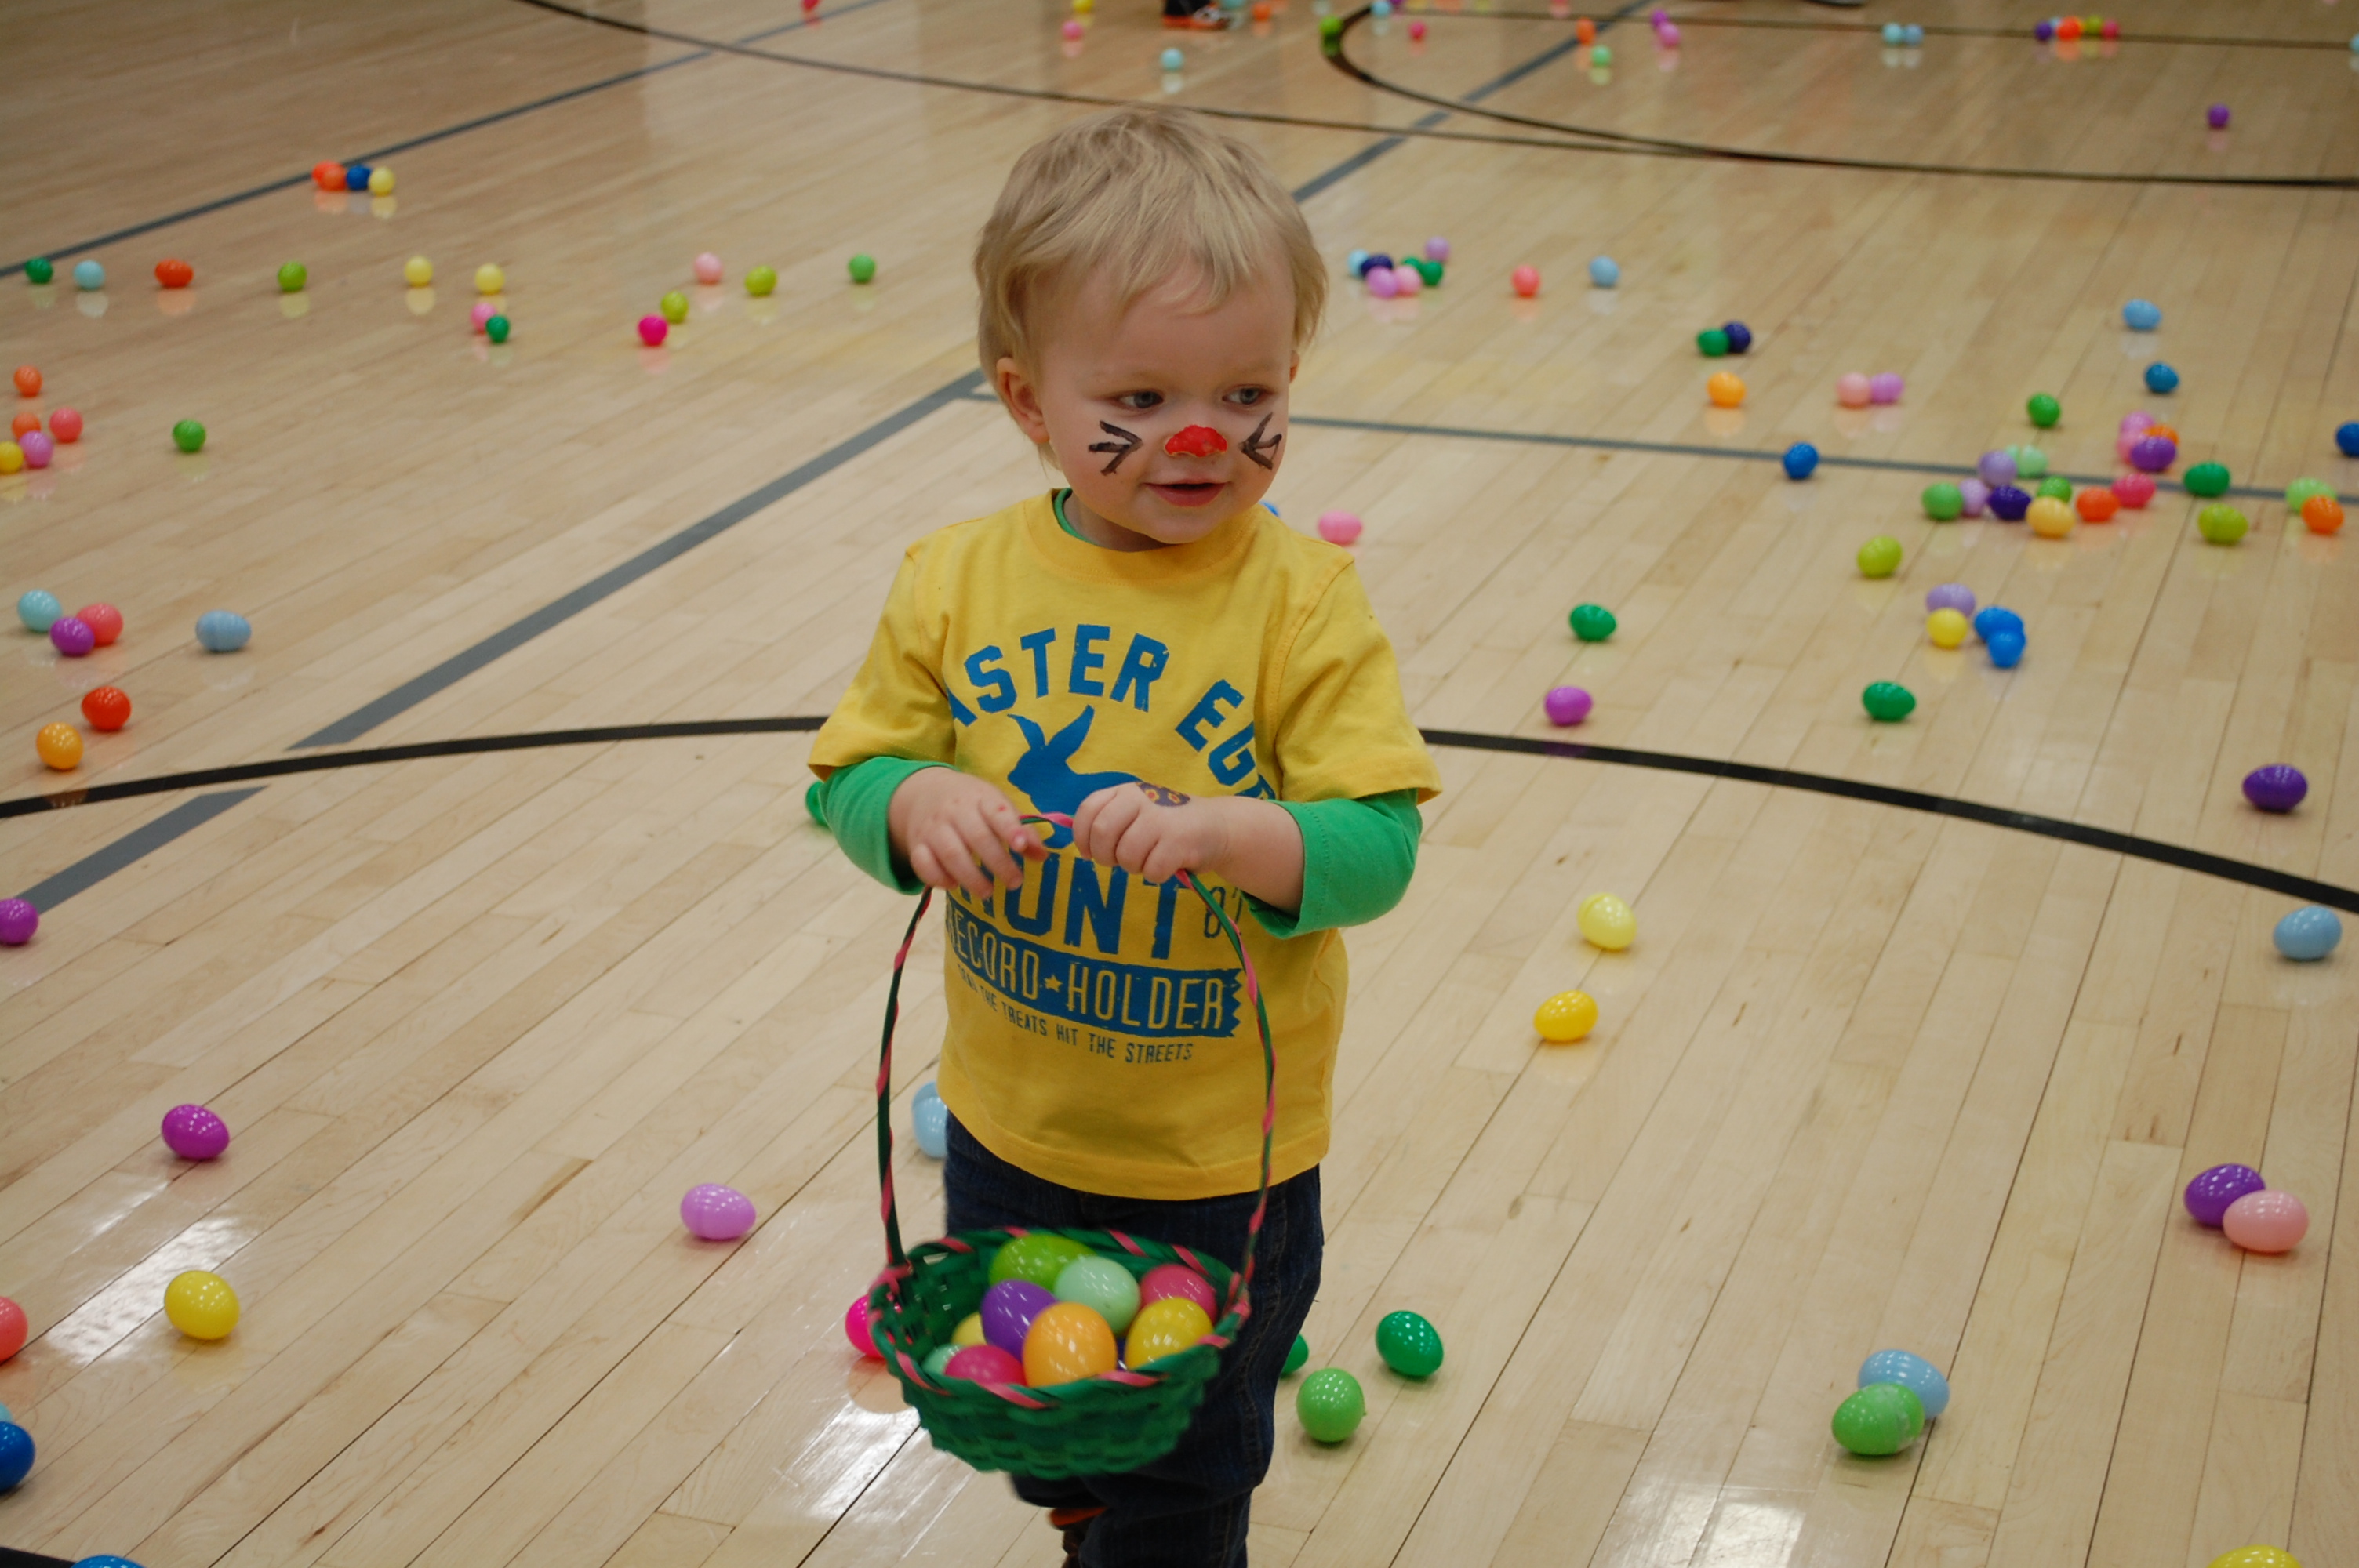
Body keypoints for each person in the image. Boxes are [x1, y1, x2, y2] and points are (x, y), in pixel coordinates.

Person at [809, 105, 1440, 1568]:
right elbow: (847, 776)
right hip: (1011, 1130)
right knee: (1054, 1424)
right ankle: (1096, 1514)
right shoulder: (955, 581)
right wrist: (907, 804)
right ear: (1031, 403)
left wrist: (1241, 836)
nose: (1200, 437)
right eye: (1141, 397)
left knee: (1184, 1477)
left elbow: (1380, 847)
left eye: (1247, 390)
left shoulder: (1302, 604)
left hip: (1223, 1159)